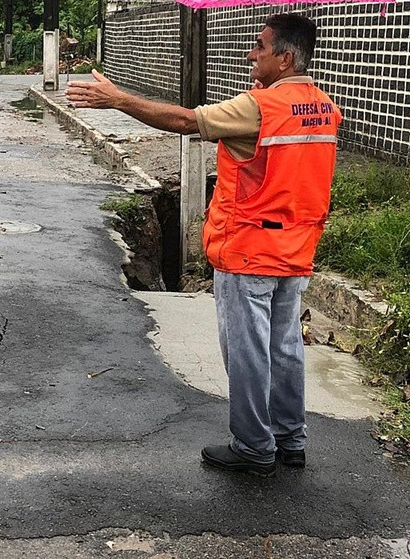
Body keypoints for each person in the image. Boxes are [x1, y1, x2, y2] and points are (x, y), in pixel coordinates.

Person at [65, 13, 342, 478]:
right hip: (296, 248)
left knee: (248, 351)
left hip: (250, 248)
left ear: (286, 58)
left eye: (260, 46)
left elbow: (183, 120)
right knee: (286, 346)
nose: (251, 54)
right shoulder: (324, 107)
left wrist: (117, 100)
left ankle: (255, 447)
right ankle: (290, 439)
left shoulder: (261, 107)